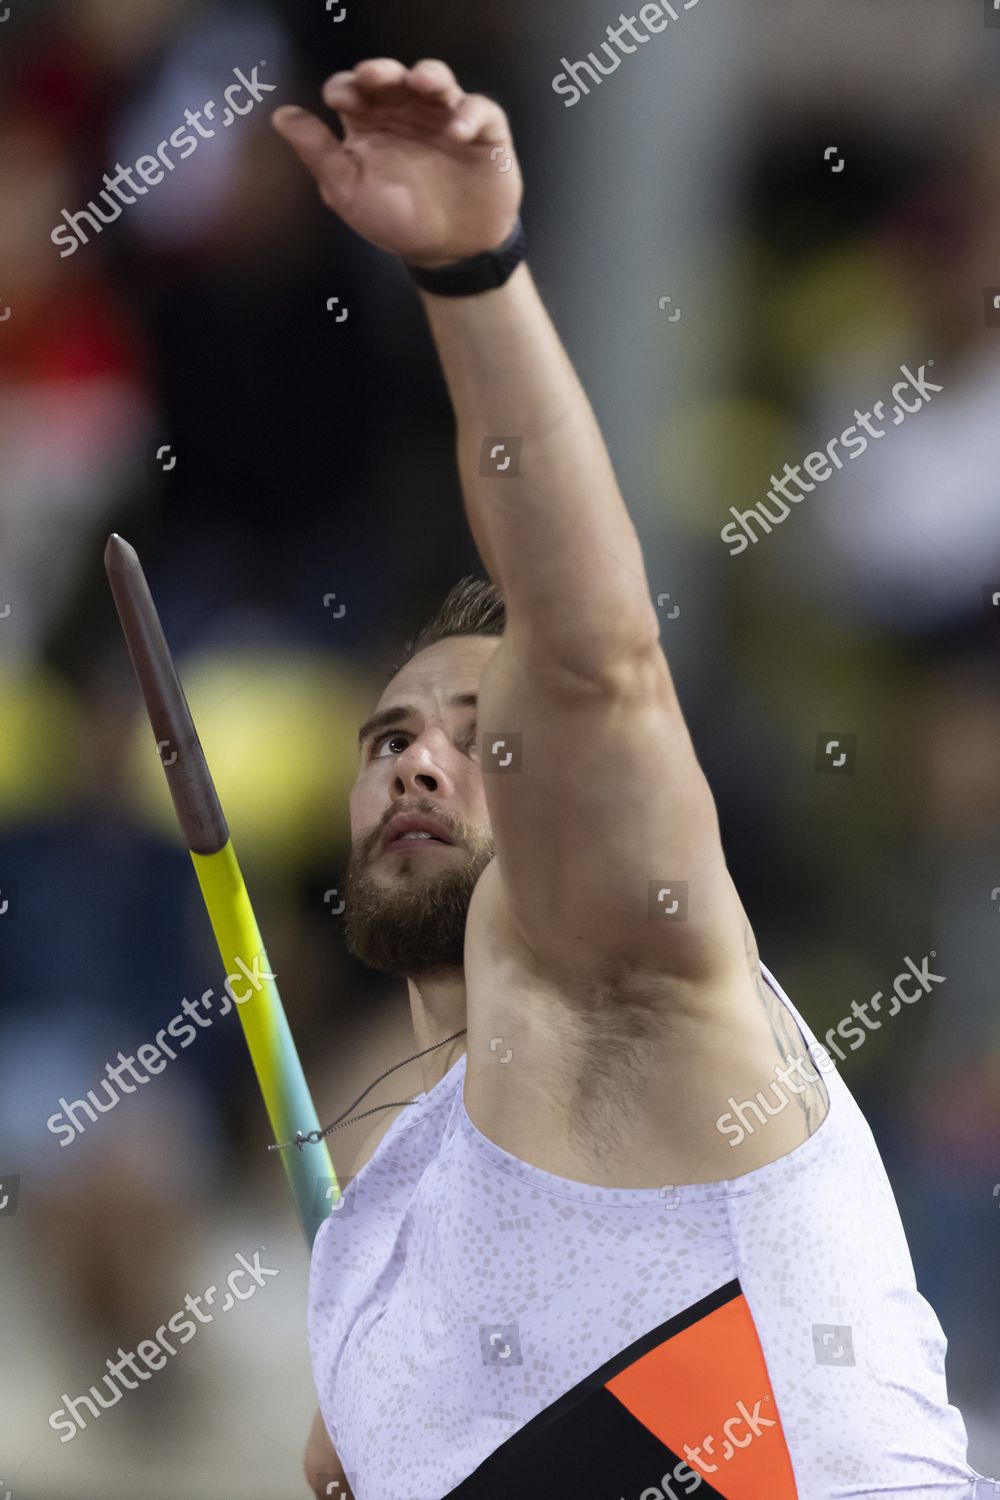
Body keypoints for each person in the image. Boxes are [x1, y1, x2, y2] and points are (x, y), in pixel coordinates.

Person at [271, 59, 994, 1500]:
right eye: (390, 737)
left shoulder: (627, 976)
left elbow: (597, 657)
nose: (418, 752)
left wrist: (474, 273)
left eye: (481, 735)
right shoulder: (364, 1271)